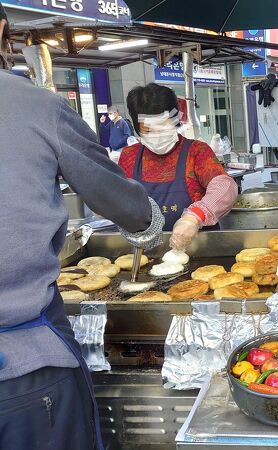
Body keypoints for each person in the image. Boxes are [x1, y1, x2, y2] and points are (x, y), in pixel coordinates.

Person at [0, 37, 164, 449]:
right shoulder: (33, 105)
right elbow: (128, 205)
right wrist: (149, 223)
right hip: (24, 365)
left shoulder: (195, 153)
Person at [119, 83, 238, 251]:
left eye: (163, 125)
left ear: (176, 120)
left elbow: (225, 187)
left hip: (200, 250)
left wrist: (194, 217)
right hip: (146, 254)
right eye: (148, 129)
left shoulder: (196, 151)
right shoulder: (129, 157)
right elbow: (118, 198)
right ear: (137, 128)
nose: (157, 134)